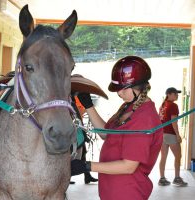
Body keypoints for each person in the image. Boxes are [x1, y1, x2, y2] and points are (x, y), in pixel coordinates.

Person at [71, 56, 163, 200]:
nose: (118, 93)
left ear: (137, 86)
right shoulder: (129, 106)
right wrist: (88, 105)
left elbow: (129, 166)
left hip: (128, 193)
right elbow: (105, 134)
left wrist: (87, 166)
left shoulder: (145, 118)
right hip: (112, 191)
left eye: (122, 89)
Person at [158, 87, 188, 187]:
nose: (177, 95)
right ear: (169, 94)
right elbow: (174, 122)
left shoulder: (163, 105)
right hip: (170, 134)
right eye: (175, 94)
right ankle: (177, 178)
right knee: (178, 156)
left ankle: (162, 179)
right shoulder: (173, 105)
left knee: (163, 157)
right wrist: (178, 135)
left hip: (162, 134)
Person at [70, 95, 98, 184]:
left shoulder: (73, 103)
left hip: (78, 132)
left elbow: (78, 119)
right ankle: (67, 176)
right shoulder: (69, 103)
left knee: (83, 153)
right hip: (73, 135)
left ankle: (87, 176)